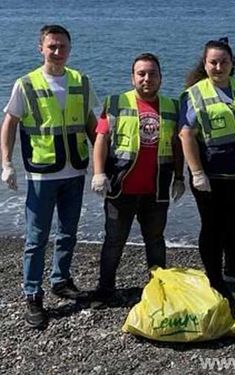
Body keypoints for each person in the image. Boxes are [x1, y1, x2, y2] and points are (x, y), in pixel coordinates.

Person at [0, 25, 100, 328]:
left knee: (69, 232)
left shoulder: (81, 81)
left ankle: (61, 280)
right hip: (42, 174)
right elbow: (9, 123)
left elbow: (92, 124)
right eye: (52, 46)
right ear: (41, 48)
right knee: (36, 238)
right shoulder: (26, 84)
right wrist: (6, 163)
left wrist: (103, 165)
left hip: (75, 170)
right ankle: (32, 293)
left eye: (62, 46)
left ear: (70, 48)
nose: (57, 52)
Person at [90, 53, 184, 307]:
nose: (147, 78)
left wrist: (179, 176)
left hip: (156, 190)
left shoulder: (172, 107)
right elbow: (101, 140)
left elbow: (177, 145)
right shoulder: (116, 103)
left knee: (155, 240)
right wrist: (98, 173)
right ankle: (105, 289)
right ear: (132, 78)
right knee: (114, 241)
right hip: (121, 188)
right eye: (141, 73)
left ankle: (158, 287)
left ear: (161, 78)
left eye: (152, 73)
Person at [179, 39, 235, 299]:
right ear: (205, 64)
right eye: (213, 62)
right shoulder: (194, 94)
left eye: (224, 62)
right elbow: (186, 135)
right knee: (212, 227)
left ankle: (233, 269)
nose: (219, 66)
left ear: (232, 63)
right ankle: (214, 278)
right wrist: (197, 173)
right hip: (211, 178)